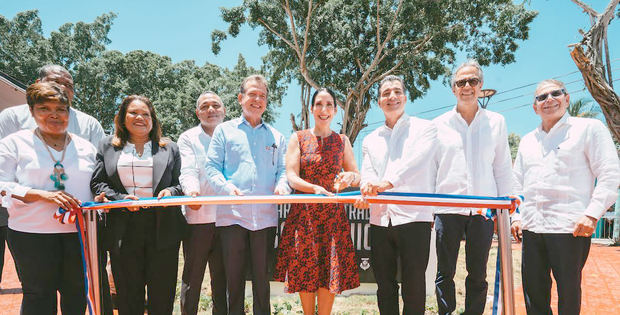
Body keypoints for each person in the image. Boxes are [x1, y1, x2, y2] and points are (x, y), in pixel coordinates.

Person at [356, 75, 467, 315]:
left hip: (413, 218)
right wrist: (366, 186)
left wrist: (386, 182)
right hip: (379, 219)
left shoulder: (425, 128)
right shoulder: (370, 139)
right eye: (385, 93)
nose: (391, 97)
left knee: (414, 286)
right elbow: (367, 172)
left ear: (405, 98)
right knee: (384, 285)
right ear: (378, 102)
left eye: (396, 91)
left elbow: (416, 162)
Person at [511, 79, 619, 315]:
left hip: (570, 228)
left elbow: (611, 174)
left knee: (568, 296)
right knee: (533, 294)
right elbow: (516, 182)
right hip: (532, 228)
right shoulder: (528, 140)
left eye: (555, 93)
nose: (549, 99)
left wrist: (592, 214)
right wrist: (516, 217)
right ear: (535, 107)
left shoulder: (589, 129)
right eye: (542, 97)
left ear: (566, 98)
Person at [0, 64, 105, 293]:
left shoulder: (85, 147)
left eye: (61, 108)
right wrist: (42, 195)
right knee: (39, 297)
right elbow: (1, 185)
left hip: (78, 235)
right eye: (44, 108)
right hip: (31, 234)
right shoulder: (14, 143)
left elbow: (98, 182)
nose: (54, 115)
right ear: (32, 111)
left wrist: (102, 198)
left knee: (76, 295)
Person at [90, 95, 187, 315]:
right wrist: (119, 199)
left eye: (146, 114)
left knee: (162, 297)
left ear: (153, 119)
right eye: (134, 112)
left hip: (163, 229)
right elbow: (98, 183)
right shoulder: (107, 146)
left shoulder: (170, 148)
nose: (140, 117)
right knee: (127, 296)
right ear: (123, 117)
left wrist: (171, 192)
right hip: (123, 229)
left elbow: (181, 183)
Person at [432, 59, 514, 315]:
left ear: (481, 86)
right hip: (447, 208)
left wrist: (507, 211)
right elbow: (431, 169)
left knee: (478, 273)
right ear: (453, 89)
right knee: (444, 272)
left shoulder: (497, 122)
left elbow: (502, 166)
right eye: (461, 82)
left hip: (483, 211)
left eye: (472, 81)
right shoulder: (438, 124)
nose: (467, 86)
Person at [205, 74, 290, 315]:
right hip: (232, 217)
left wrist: (283, 185)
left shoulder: (277, 136)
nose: (257, 99)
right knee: (234, 281)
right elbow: (211, 167)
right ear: (241, 98)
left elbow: (283, 171)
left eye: (262, 96)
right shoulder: (224, 131)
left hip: (265, 219)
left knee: (262, 282)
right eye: (252, 94)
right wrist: (226, 188)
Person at [274, 88, 360, 314]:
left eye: (329, 104)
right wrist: (314, 189)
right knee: (305, 271)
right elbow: (292, 177)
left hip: (333, 218)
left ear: (335, 110)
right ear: (312, 109)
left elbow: (356, 176)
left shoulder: (343, 141)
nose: (324, 109)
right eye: (319, 104)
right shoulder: (298, 137)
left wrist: (350, 177)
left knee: (328, 272)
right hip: (304, 217)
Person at [178, 91, 227, 315]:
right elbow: (187, 170)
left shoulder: (233, 135)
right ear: (197, 112)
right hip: (197, 219)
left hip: (229, 219)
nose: (211, 110)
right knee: (192, 279)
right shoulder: (188, 137)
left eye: (215, 105)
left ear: (224, 111)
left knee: (223, 281)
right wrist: (192, 192)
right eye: (205, 106)